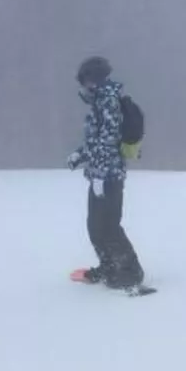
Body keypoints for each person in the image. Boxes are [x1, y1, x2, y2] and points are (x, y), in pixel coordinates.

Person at [67, 56, 144, 289]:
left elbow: (108, 142)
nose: (83, 87)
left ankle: (131, 272)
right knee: (95, 226)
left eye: (85, 81)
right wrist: (80, 155)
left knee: (109, 226)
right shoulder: (100, 101)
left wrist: (100, 175)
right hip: (99, 175)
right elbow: (96, 141)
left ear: (95, 80)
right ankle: (110, 265)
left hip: (108, 176)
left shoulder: (108, 101)